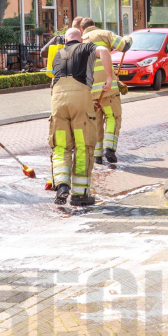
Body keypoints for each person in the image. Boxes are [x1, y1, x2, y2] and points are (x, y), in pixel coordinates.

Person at [49, 27, 112, 206]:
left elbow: (55, 82)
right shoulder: (87, 48)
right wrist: (108, 78)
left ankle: (61, 184)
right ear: (80, 39)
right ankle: (80, 194)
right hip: (80, 100)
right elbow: (105, 51)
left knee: (61, 146)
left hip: (57, 102)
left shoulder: (58, 54)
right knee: (83, 146)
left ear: (66, 40)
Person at [79, 18, 132, 165]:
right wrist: (128, 38)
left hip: (89, 91)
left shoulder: (79, 41)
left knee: (95, 122)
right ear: (94, 25)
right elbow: (124, 46)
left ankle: (97, 156)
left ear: (82, 29)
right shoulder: (104, 34)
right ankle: (109, 149)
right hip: (107, 89)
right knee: (112, 117)